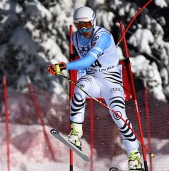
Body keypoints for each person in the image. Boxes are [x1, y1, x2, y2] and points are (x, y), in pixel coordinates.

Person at [47, 6, 143, 170]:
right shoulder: (75, 38)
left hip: (111, 81)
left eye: (87, 25)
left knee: (118, 116)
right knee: (80, 87)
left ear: (94, 22)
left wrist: (64, 66)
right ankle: (76, 133)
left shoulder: (103, 36)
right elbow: (86, 65)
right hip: (94, 79)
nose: (84, 30)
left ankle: (134, 156)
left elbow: (87, 61)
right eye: (79, 26)